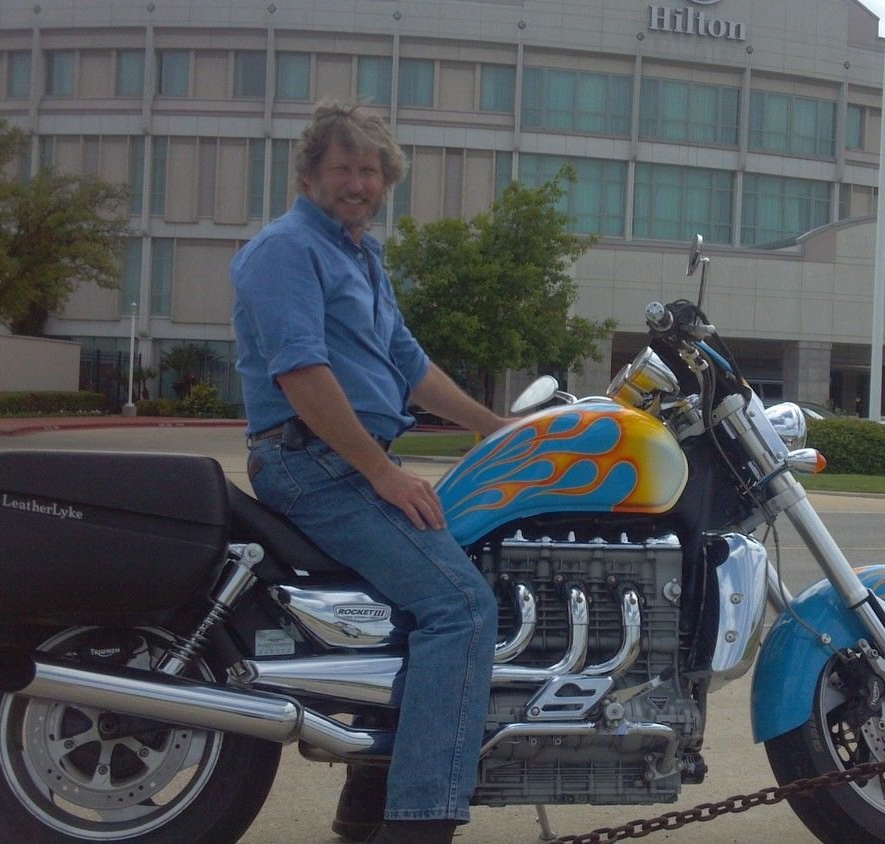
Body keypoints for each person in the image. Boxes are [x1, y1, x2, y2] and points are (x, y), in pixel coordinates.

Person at [231, 99, 504, 844]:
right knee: (463, 609)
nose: (358, 183)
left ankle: (367, 804)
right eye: (344, 168)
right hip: (315, 466)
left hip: (339, 462)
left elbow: (410, 366)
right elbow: (302, 375)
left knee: (429, 604)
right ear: (312, 173)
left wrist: (505, 429)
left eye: (371, 170)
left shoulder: (360, 254)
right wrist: (383, 473)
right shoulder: (288, 251)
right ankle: (419, 825)